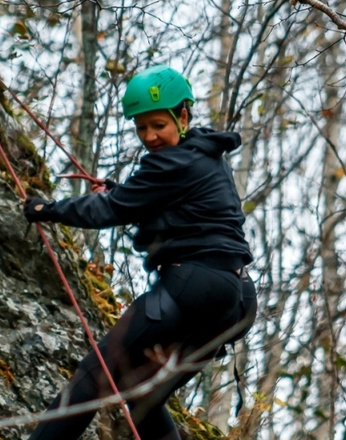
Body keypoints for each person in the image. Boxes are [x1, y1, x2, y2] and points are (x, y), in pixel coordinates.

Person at [23, 65, 257, 440]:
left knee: (95, 373)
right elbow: (175, 212)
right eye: (141, 127)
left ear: (182, 115)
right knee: (143, 396)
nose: (150, 136)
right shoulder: (208, 156)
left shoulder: (172, 162)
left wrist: (47, 210)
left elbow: (111, 211)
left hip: (193, 284)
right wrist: (121, 192)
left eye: (157, 125)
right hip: (238, 300)